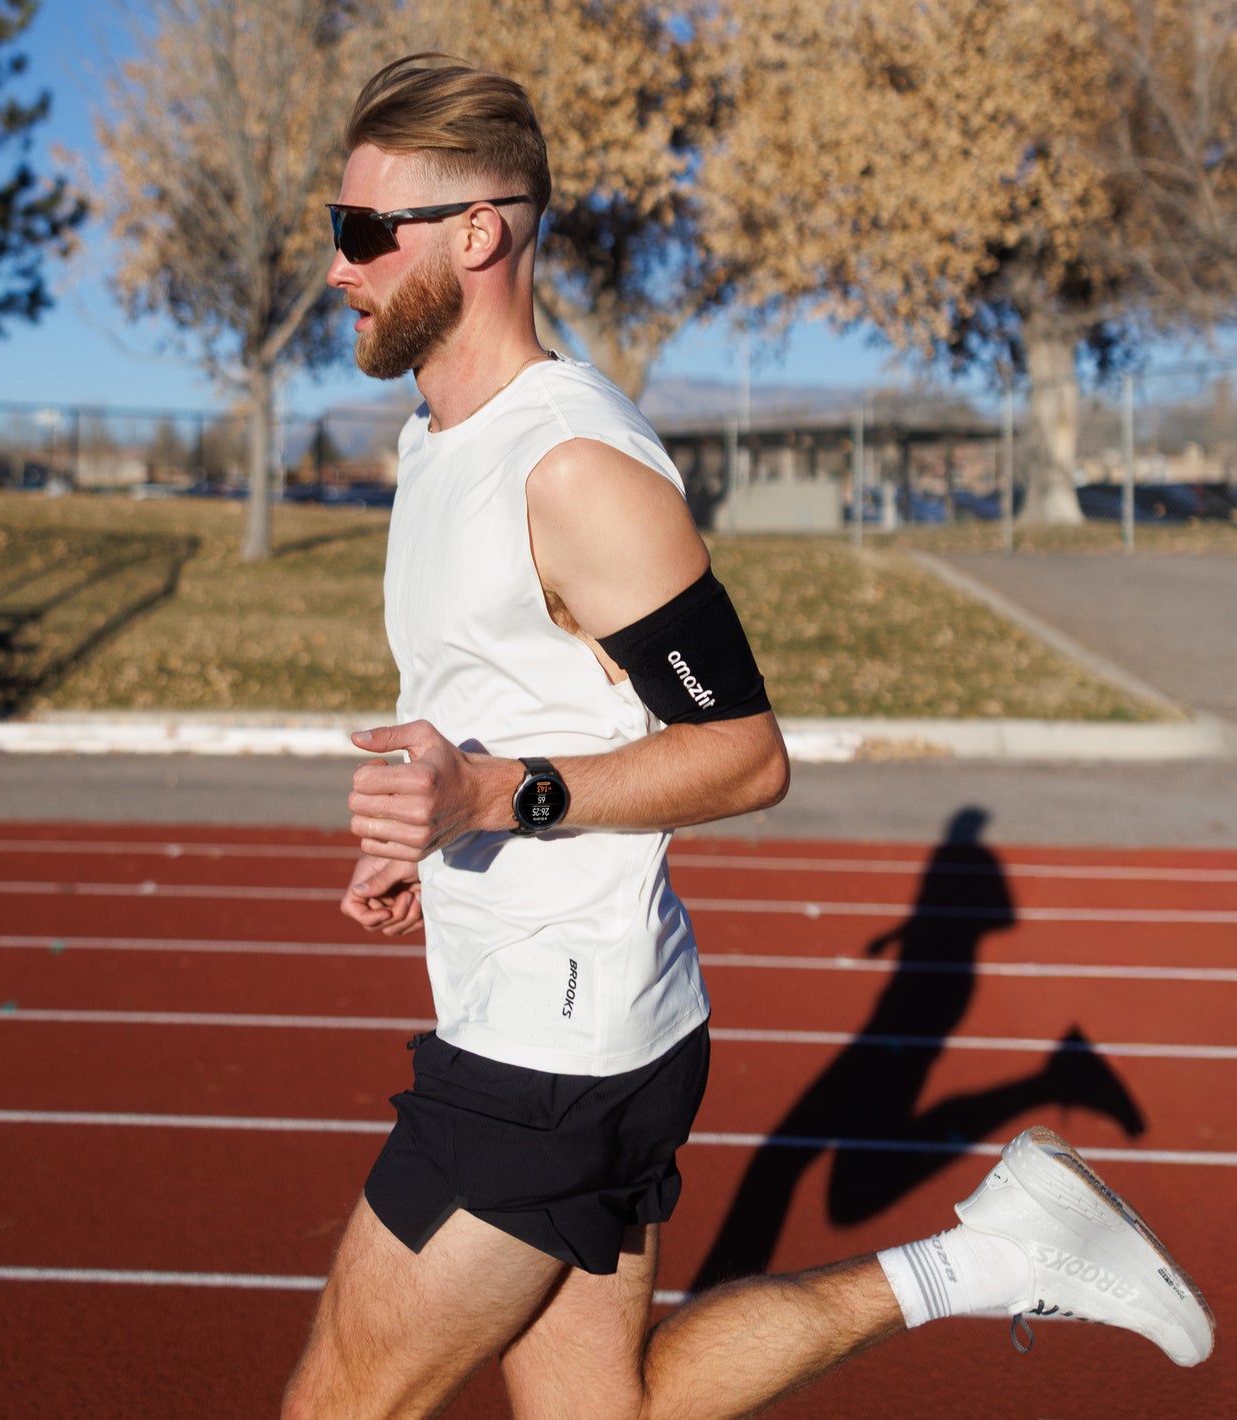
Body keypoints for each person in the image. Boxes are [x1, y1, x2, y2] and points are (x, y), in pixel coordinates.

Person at [281, 53, 1214, 1420]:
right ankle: (993, 1256)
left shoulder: (574, 467)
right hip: (564, 1015)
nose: (338, 267)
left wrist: (486, 799)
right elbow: (519, 696)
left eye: (364, 232)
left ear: (477, 234)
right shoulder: (437, 438)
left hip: (554, 1046)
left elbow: (744, 753)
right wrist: (437, 828)